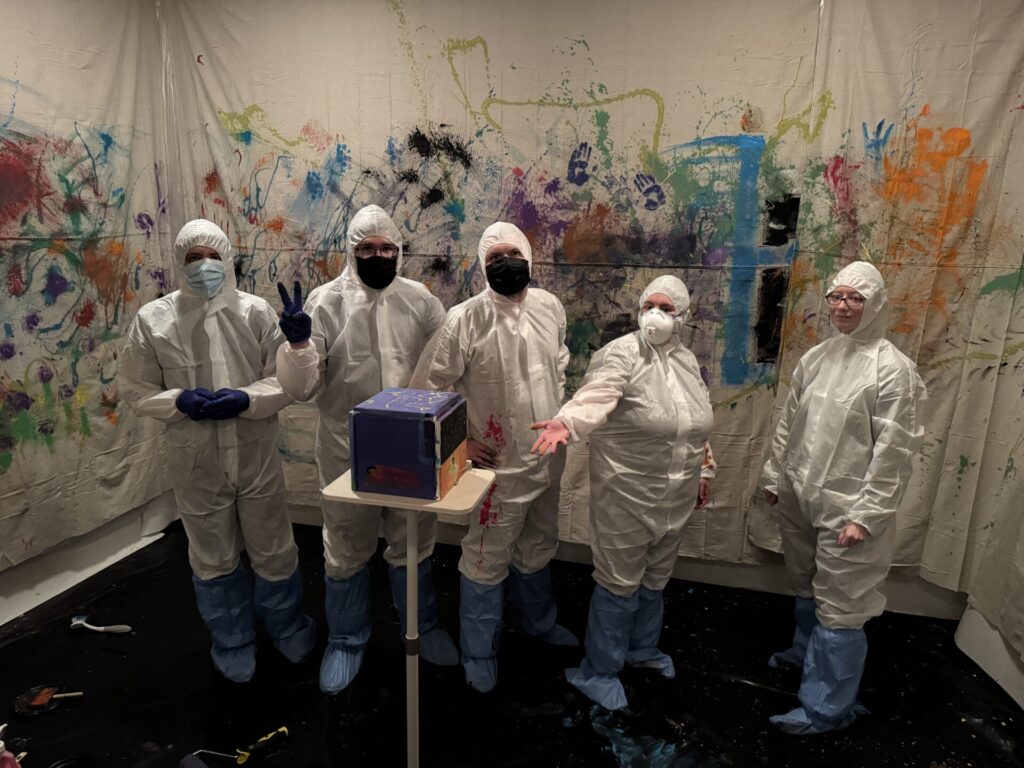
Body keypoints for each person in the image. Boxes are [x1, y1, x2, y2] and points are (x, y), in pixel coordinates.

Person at [119, 219, 315, 683]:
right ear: (179, 262)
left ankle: (287, 627)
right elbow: (135, 387)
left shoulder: (256, 314)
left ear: (227, 259)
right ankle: (232, 640)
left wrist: (248, 398)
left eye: (212, 256)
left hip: (256, 454)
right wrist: (177, 400)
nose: (204, 266)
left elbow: (287, 383)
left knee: (273, 547)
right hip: (196, 460)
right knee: (212, 555)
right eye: (193, 257)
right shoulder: (154, 320)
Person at [275, 204, 458, 695]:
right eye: (367, 248)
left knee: (413, 539)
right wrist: (296, 349)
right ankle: (348, 638)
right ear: (350, 251)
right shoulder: (325, 301)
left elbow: (441, 370)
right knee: (345, 544)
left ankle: (422, 627)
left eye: (387, 248)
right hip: (344, 444)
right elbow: (302, 388)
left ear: (399, 251)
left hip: (411, 442)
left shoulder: (419, 301)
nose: (378, 256)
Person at [531, 275, 715, 711]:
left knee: (654, 580)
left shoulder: (687, 361)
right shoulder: (622, 354)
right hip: (626, 496)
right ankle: (600, 670)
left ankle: (642, 650)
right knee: (619, 584)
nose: (656, 315)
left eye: (666, 309)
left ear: (683, 317)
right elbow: (597, 395)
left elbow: (695, 424)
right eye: (648, 305)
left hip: (676, 496)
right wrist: (569, 421)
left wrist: (704, 470)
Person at [410, 221, 578, 693]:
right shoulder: (465, 318)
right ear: (483, 266)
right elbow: (427, 390)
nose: (505, 263)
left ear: (529, 257)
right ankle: (479, 651)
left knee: (540, 544)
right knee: (487, 556)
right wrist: (458, 442)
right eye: (494, 257)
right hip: (496, 469)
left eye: (513, 253)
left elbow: (559, 366)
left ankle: (538, 624)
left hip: (547, 458)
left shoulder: (549, 307)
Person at [760, 261, 926, 734]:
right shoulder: (818, 359)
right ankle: (802, 651)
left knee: (842, 601)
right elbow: (788, 424)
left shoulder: (892, 369)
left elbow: (895, 451)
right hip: (801, 494)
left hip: (848, 509)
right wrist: (776, 477)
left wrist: (867, 515)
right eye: (836, 296)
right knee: (806, 581)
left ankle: (825, 709)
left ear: (875, 304)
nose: (843, 306)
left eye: (855, 298)